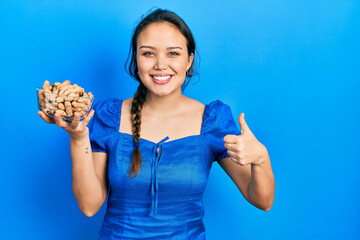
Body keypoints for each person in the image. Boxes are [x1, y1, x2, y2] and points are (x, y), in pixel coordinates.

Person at [38, 8, 275, 240]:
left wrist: (261, 158)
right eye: (148, 53)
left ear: (189, 60)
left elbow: (262, 201)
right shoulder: (109, 116)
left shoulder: (212, 121)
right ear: (136, 59)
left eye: (173, 53)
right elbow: (89, 206)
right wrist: (78, 138)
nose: (160, 65)